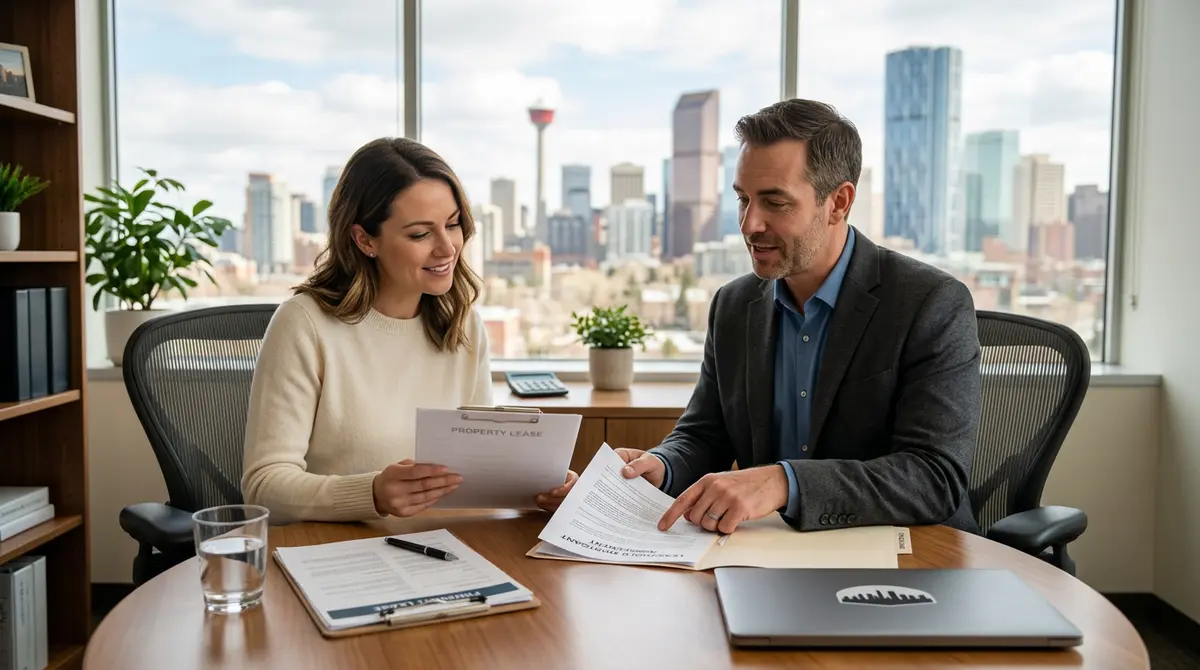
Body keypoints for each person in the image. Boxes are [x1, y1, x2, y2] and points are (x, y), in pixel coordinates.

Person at [616, 99, 982, 535]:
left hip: (908, 556)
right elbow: (704, 435)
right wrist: (660, 466)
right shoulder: (733, 306)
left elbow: (934, 478)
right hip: (770, 551)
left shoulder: (930, 303)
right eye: (743, 199)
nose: (750, 224)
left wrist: (784, 482)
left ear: (838, 203)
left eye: (774, 202)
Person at [240, 137, 575, 524]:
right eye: (420, 234)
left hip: (446, 548)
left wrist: (537, 490)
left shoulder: (462, 323)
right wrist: (372, 495)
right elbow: (264, 486)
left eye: (453, 225)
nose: (448, 248)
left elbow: (477, 475)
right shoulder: (304, 324)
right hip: (338, 552)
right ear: (364, 239)